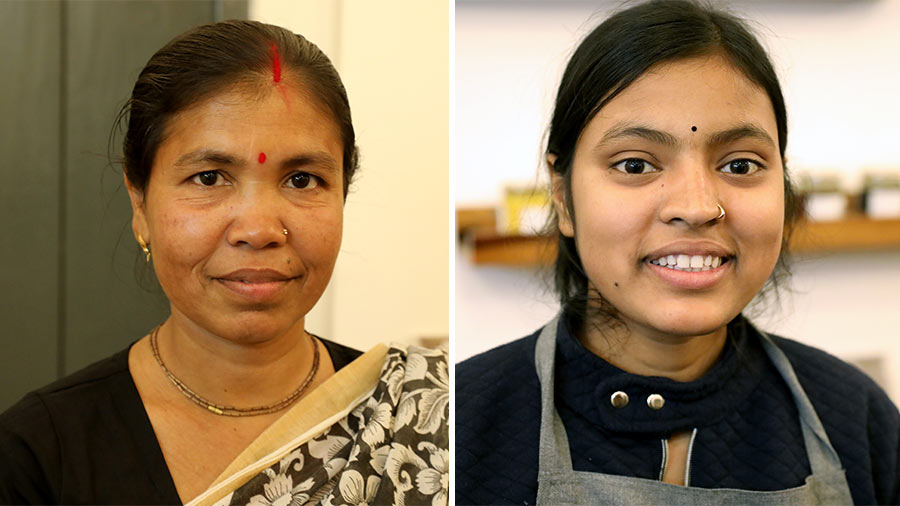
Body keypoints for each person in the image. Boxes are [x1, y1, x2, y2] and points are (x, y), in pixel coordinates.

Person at [456, 1, 899, 504]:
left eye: (739, 165)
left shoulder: (856, 418)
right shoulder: (462, 425)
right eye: (635, 164)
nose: (696, 207)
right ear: (563, 197)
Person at [0, 20, 448, 506]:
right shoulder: (36, 456)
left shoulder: (427, 417)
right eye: (209, 177)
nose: (257, 231)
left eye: (302, 180)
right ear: (140, 204)